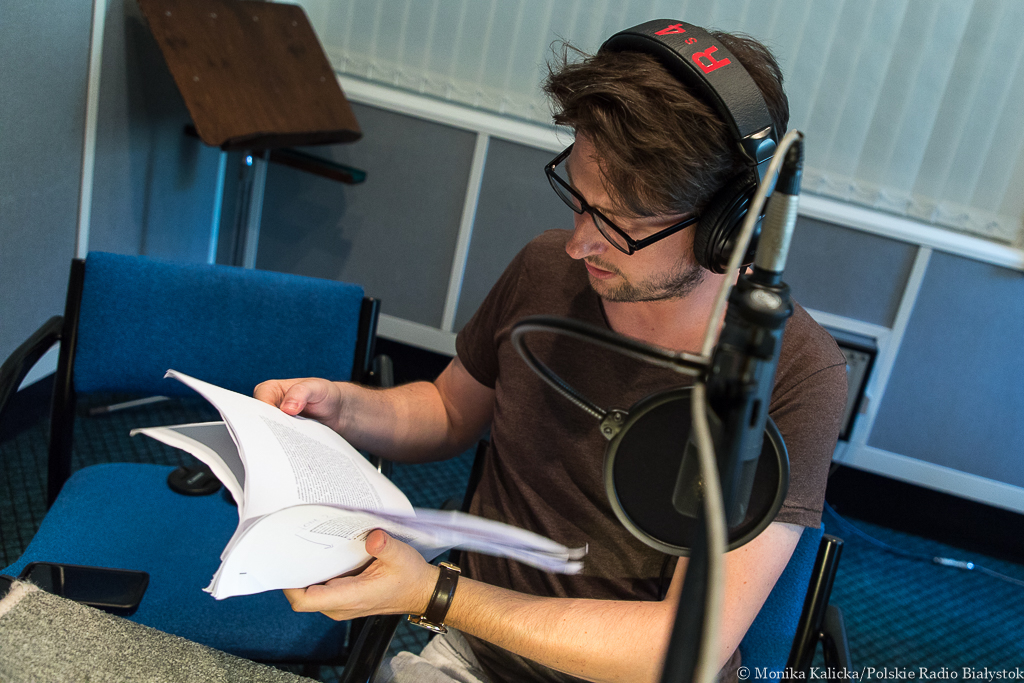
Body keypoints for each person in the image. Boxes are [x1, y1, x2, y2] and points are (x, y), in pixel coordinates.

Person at [255, 23, 848, 683]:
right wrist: (344, 408)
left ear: (725, 227)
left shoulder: (792, 372)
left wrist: (436, 594)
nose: (578, 243)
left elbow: (680, 647)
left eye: (618, 224)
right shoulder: (547, 271)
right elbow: (448, 410)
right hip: (473, 654)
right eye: (579, 202)